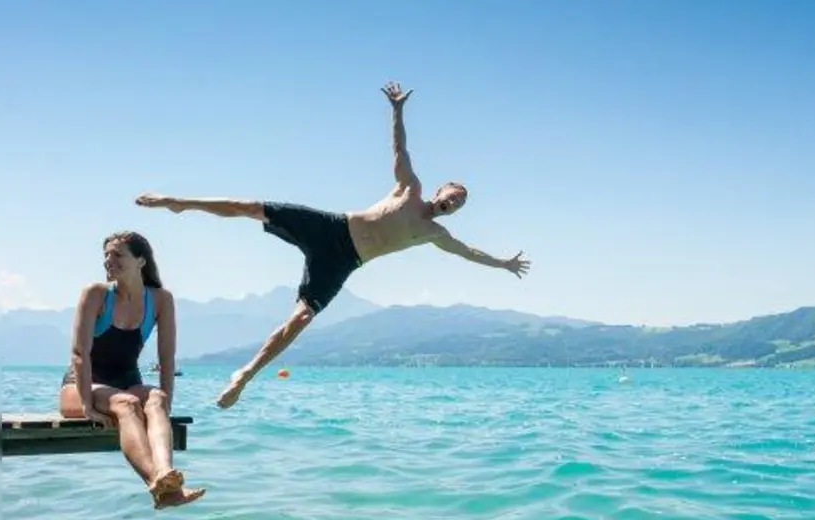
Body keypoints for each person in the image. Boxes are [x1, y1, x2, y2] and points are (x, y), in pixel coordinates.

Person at [136, 80, 531, 409]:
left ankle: (244, 375)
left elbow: (470, 253)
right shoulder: (410, 189)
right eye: (452, 195)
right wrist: (396, 110)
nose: (451, 203)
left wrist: (504, 264)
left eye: (458, 204)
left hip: (344, 262)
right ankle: (179, 203)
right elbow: (400, 149)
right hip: (331, 228)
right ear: (441, 189)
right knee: (252, 206)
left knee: (301, 320)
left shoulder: (435, 235)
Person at [60, 231, 204, 509]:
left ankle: (165, 474)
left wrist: (165, 405)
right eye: (105, 255)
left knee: (156, 398)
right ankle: (159, 485)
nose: (108, 261)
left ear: (141, 261)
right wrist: (88, 406)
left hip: (126, 380)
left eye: (117, 255)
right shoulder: (96, 294)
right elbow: (79, 354)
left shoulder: (161, 300)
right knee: (125, 404)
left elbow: (167, 357)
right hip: (80, 384)